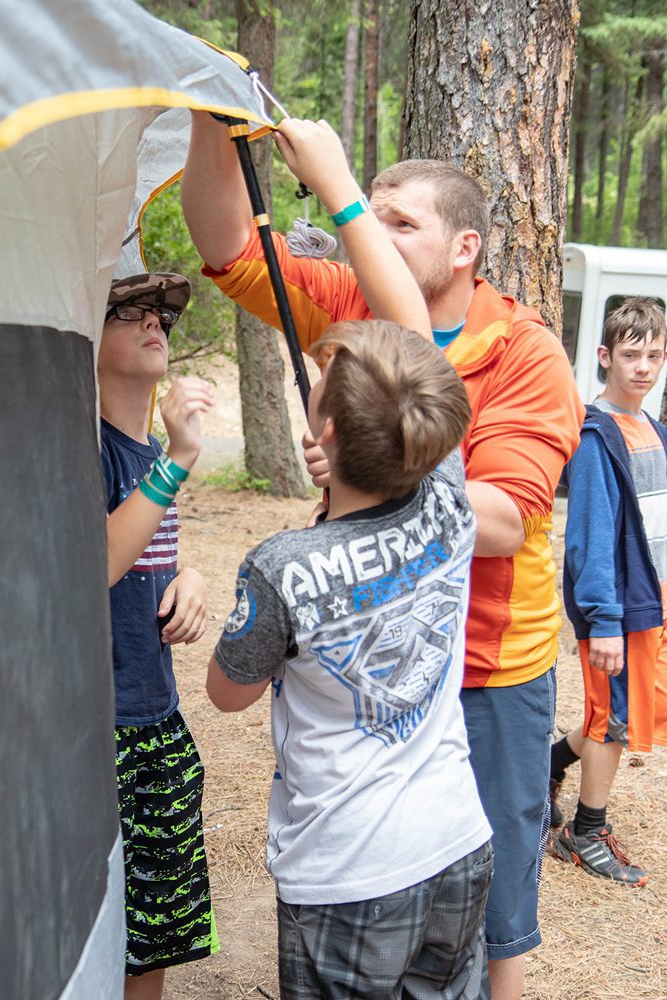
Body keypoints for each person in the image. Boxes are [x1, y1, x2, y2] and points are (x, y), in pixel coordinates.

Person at [181, 114, 583, 1000]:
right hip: (359, 658)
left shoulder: (526, 353)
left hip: (485, 668)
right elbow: (225, 246)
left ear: (466, 247)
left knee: (496, 898)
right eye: (379, 218)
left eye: (406, 224)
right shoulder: (356, 299)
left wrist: (373, 464)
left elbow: (509, 521)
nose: (382, 237)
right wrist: (214, 125)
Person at [207, 319, 493, 999]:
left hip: (348, 868)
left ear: (327, 432)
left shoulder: (280, 568)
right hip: (456, 839)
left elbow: (227, 691)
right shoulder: (449, 497)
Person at [99, 272, 218, 1000]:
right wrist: (177, 460)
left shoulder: (146, 454)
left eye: (161, 316)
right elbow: (98, 562)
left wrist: (193, 579)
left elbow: (145, 556)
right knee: (102, 922)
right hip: (99, 727)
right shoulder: (88, 447)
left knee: (156, 930)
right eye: (130, 313)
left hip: (157, 716)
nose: (155, 324)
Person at [550, 297, 667, 886]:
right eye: (629, 355)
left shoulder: (654, 429)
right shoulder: (597, 436)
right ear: (604, 357)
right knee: (614, 719)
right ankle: (584, 831)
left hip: (656, 601)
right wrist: (604, 620)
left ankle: (552, 760)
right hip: (619, 609)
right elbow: (590, 538)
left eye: (653, 355)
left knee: (637, 709)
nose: (642, 367)